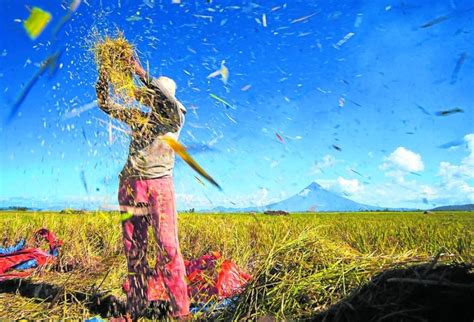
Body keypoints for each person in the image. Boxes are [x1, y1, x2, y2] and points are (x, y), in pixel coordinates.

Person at [95, 56, 190, 319]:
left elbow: (166, 99)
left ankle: (180, 313)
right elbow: (105, 104)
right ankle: (134, 309)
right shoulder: (140, 118)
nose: (154, 100)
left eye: (156, 95)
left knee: (168, 248)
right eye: (151, 96)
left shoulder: (174, 118)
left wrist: (138, 70)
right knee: (134, 250)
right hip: (129, 187)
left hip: (159, 188)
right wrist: (104, 74)